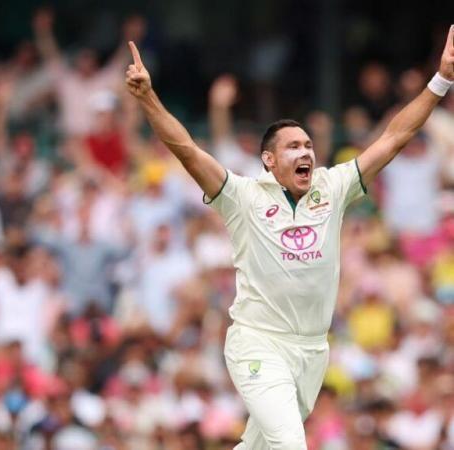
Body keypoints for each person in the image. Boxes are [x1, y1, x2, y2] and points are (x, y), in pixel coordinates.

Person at [125, 25, 454, 450]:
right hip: (258, 344)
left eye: (308, 145)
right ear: (268, 160)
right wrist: (148, 97)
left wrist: (441, 79)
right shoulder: (241, 196)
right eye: (293, 147)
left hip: (312, 350)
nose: (306, 152)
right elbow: (186, 149)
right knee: (290, 445)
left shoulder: (332, 187)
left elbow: (395, 136)